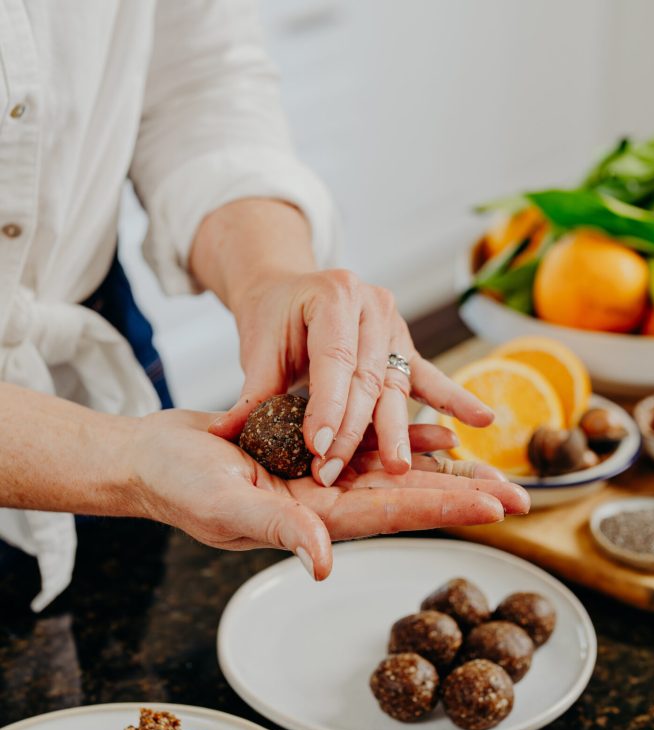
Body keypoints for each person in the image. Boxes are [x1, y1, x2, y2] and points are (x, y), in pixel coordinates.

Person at [0, 1, 529, 611]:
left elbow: (196, 81)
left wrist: (270, 278)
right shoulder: (142, 457)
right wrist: (129, 461)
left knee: (119, 629)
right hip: (110, 431)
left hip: (89, 336)